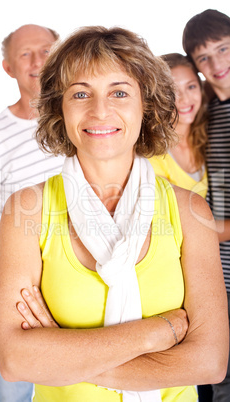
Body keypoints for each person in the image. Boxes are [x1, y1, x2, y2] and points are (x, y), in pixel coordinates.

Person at [0, 26, 228, 402]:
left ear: (146, 105)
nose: (100, 111)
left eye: (119, 92)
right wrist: (156, 333)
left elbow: (210, 362)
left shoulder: (190, 211)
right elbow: (15, 361)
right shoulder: (26, 211)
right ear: (59, 107)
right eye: (81, 93)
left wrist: (62, 355)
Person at [0, 24, 65, 402]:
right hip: (14, 285)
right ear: (8, 67)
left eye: (45, 50)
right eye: (26, 53)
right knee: (13, 390)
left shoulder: (81, 121)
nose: (37, 61)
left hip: (77, 276)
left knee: (77, 385)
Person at [183, 9, 230, 402]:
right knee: (215, 382)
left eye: (224, 49)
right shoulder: (205, 115)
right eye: (204, 58)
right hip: (216, 275)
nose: (217, 64)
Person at [149, 53, 208, 198]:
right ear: (159, 96)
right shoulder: (152, 153)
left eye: (191, 86)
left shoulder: (205, 138)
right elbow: (178, 219)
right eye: (173, 91)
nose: (185, 98)